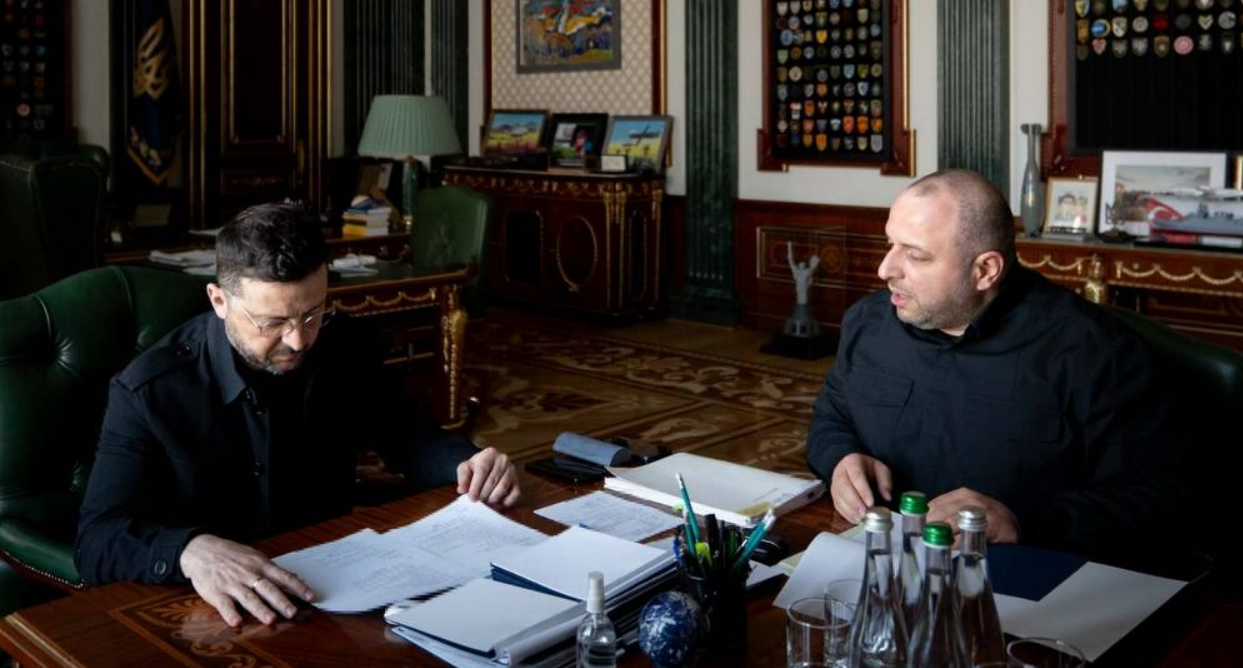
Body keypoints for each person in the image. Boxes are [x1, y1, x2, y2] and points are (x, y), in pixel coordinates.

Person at [75, 202, 520, 627]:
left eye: (312, 314)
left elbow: (408, 436)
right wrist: (189, 551)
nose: (298, 341)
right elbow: (96, 541)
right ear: (219, 300)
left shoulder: (343, 345)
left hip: (336, 580)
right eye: (272, 322)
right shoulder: (148, 391)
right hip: (210, 606)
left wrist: (466, 463)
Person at [805, 169, 1177, 560]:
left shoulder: (1094, 353)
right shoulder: (867, 323)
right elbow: (832, 419)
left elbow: (1159, 497)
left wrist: (1022, 520)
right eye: (890, 244)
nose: (885, 269)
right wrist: (840, 459)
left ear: (985, 270)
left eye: (915, 255)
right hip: (882, 559)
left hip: (1026, 571)